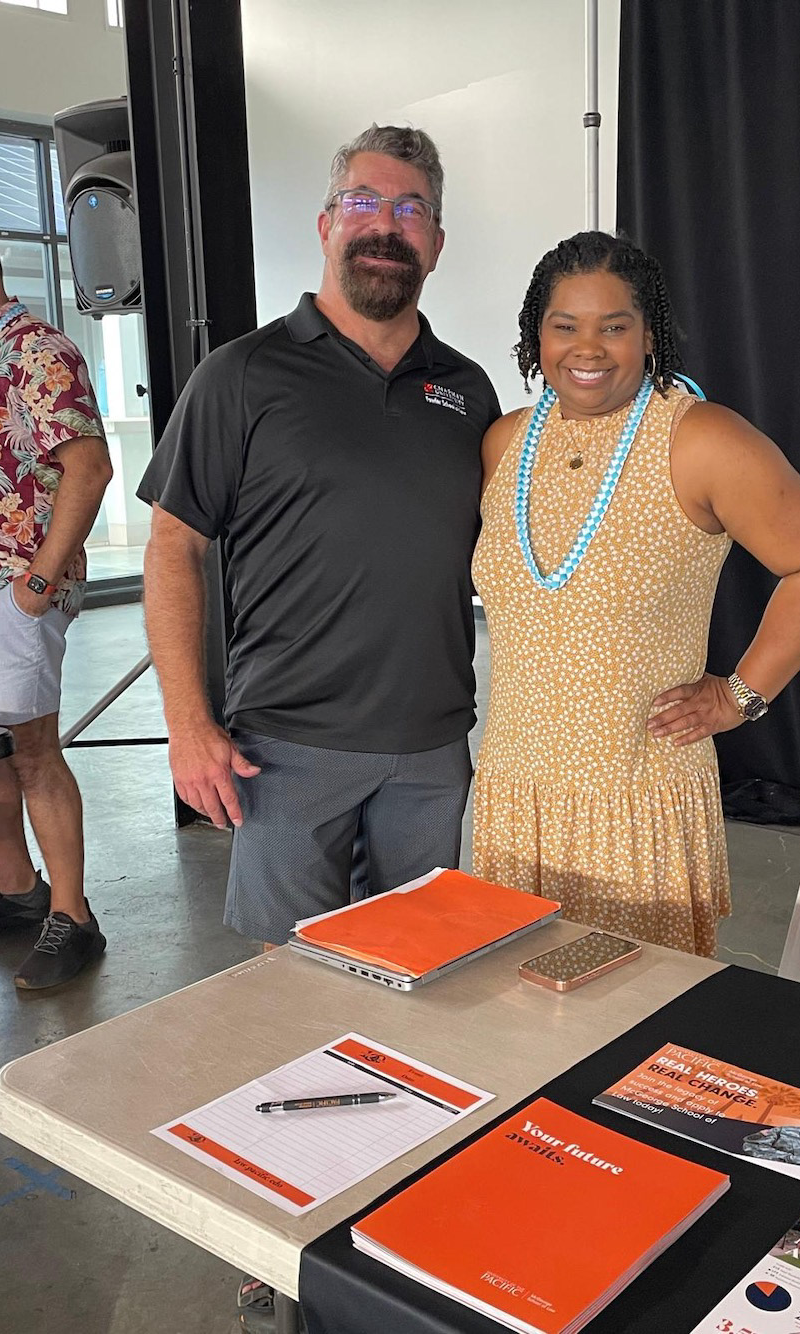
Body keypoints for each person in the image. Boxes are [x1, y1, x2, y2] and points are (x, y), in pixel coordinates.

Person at [138, 125, 500, 951]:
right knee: (292, 987)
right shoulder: (241, 375)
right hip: (287, 745)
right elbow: (173, 547)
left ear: (437, 244)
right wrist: (189, 724)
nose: (386, 225)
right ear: (326, 223)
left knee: (417, 967)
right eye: (363, 202)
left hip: (432, 743)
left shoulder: (468, 391)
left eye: (411, 209)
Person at [472, 231, 800, 956]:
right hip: (516, 795)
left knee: (631, 1010)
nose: (588, 349)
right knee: (514, 1005)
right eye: (565, 326)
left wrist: (740, 696)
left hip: (634, 798)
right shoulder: (507, 443)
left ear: (649, 335)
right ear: (536, 336)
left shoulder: (699, 439)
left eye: (614, 327)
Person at [0, 218, 113, 989]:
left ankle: (72, 915)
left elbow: (89, 468)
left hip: (12, 587)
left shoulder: (36, 350)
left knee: (31, 750)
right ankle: (17, 887)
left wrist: (38, 586)